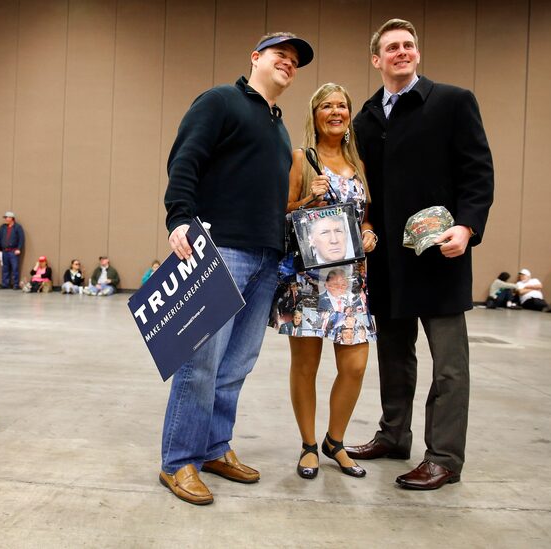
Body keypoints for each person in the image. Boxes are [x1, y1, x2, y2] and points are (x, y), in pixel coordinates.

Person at [160, 31, 313, 505]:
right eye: (280, 55)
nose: (288, 63)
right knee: (200, 363)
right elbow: (185, 159)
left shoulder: (279, 125)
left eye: (294, 61)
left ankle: (212, 448)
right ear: (255, 57)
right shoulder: (221, 101)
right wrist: (180, 216)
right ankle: (179, 461)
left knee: (237, 365)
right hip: (222, 249)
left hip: (268, 256)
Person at [345, 19, 494, 490]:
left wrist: (467, 227)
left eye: (409, 45)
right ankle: (394, 434)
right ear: (377, 59)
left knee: (449, 364)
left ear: (418, 54)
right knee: (393, 354)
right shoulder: (365, 117)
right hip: (387, 262)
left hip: (440, 256)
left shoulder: (452, 101)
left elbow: (477, 171)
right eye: (392, 47)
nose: (402, 52)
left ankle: (445, 457)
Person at [269, 83, 377, 481]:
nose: (336, 112)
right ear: (314, 115)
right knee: (305, 365)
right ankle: (309, 445)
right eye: (327, 106)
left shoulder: (359, 164)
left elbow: (364, 217)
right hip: (309, 281)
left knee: (356, 365)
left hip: (351, 280)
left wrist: (370, 233)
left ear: (349, 116)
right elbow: (282, 210)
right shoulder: (304, 158)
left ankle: (336, 440)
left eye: (342, 106)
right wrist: (307, 201)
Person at [0, 211, 24, 289]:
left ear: (11, 218)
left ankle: (15, 284)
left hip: (13, 251)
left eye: (7, 217)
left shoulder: (18, 227)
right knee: (5, 268)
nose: (5, 219)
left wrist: (18, 249)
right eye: (5, 217)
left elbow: (21, 239)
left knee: (15, 268)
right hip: (4, 251)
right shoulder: (3, 227)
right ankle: (5, 284)